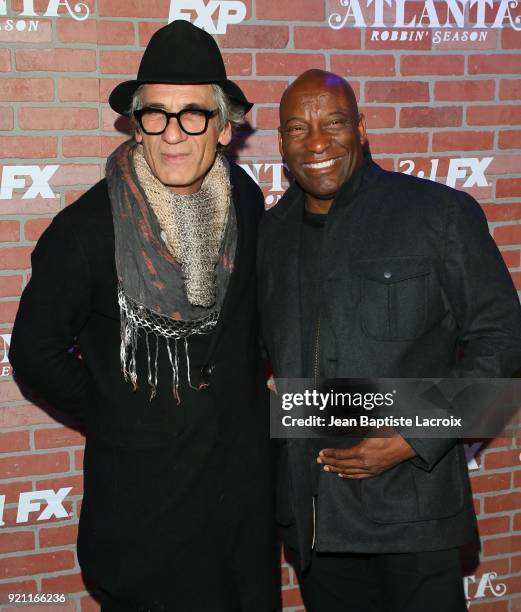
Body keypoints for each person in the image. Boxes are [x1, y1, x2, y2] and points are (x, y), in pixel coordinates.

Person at [10, 20, 277, 612]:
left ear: (225, 126)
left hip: (241, 517)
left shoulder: (250, 202)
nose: (173, 134)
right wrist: (121, 411)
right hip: (145, 525)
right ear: (136, 122)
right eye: (155, 114)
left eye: (193, 114)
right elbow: (34, 353)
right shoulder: (85, 230)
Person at [257, 69, 521, 612]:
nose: (317, 143)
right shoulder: (267, 236)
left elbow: (504, 340)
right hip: (315, 519)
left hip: (414, 511)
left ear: (362, 127)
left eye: (333, 122)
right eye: (297, 129)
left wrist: (413, 436)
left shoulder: (436, 214)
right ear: (281, 143)